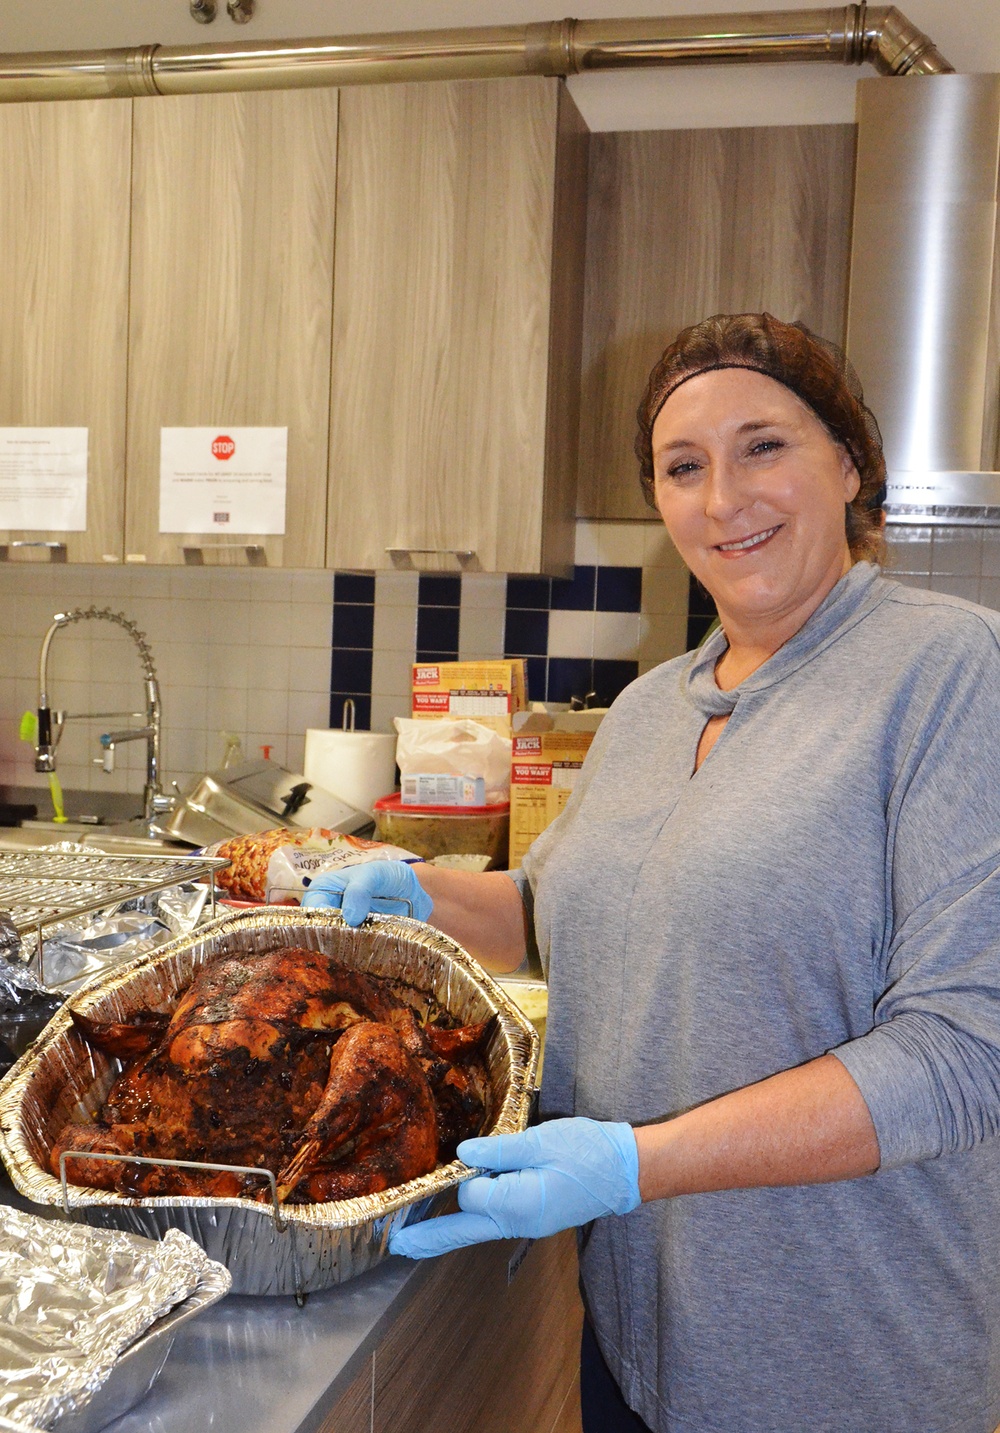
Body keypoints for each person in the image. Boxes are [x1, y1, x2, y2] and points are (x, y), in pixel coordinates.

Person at [303, 313, 1000, 1433]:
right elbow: (564, 913)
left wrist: (637, 1161)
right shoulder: (645, 707)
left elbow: (965, 1055)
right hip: (635, 1343)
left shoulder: (949, 671)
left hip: (840, 1358)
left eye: (763, 445)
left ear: (850, 464)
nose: (724, 498)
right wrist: (423, 892)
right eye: (684, 467)